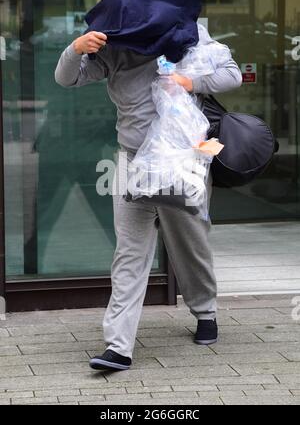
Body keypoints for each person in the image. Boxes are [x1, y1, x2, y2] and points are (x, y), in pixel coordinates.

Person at [55, 19, 242, 372]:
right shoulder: (113, 45)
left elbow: (232, 73)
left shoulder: (188, 34)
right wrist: (76, 48)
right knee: (129, 252)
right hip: (131, 162)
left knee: (191, 242)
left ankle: (205, 313)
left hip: (182, 161)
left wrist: (191, 81)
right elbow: (67, 78)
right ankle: (119, 347)